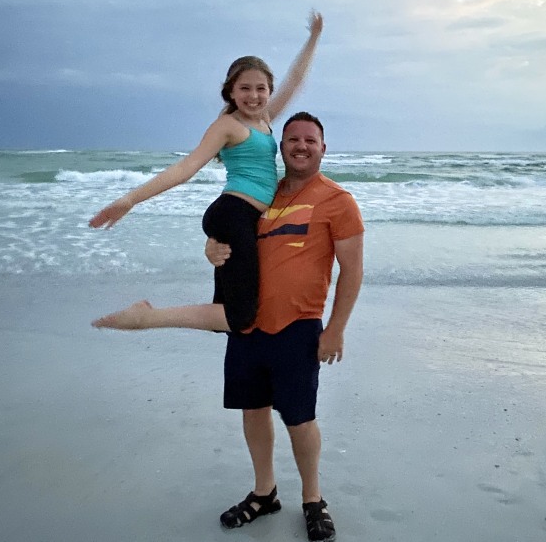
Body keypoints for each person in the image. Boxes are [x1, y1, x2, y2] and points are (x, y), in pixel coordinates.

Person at [93, 112, 364, 542]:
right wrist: (212, 246)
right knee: (252, 411)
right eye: (292, 139)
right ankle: (264, 492)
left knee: (300, 419)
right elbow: (232, 240)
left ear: (323, 148)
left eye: (310, 140)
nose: (300, 146)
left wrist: (336, 329)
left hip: (298, 327)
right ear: (281, 147)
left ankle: (313, 499)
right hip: (247, 327)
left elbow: (352, 271)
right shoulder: (261, 197)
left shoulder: (337, 200)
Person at [90, 12, 323, 333]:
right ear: (230, 91)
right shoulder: (228, 125)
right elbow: (186, 167)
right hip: (233, 215)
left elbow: (296, 79)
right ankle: (145, 318)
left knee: (224, 314)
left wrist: (313, 38)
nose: (253, 96)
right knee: (238, 317)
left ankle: (147, 317)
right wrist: (130, 199)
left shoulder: (265, 119)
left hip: (243, 219)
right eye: (245, 88)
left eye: (261, 89)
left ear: (269, 90)